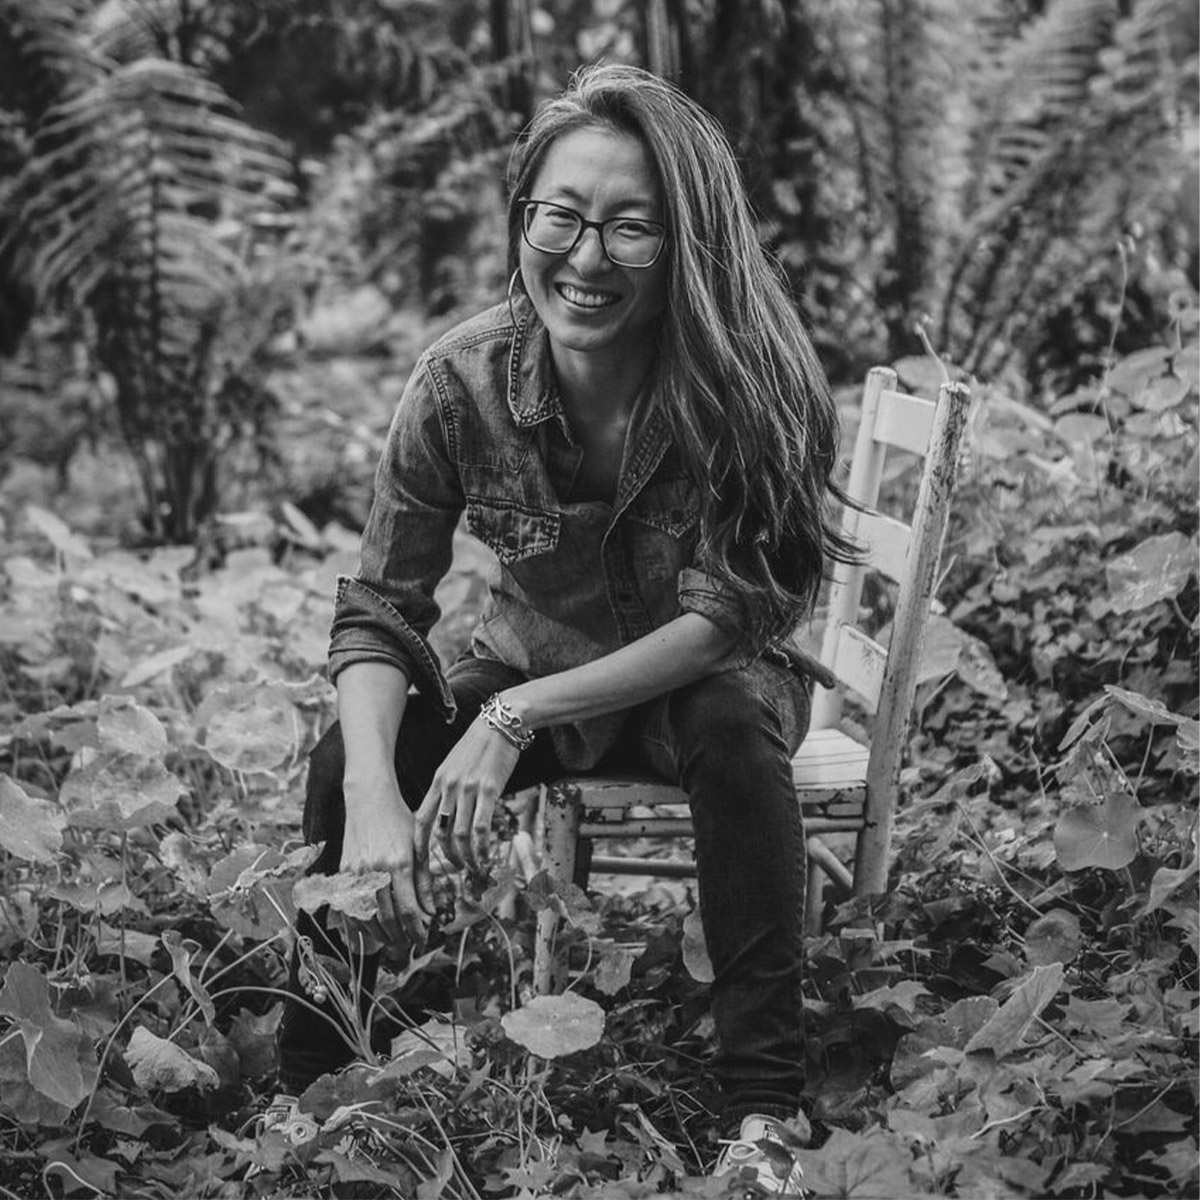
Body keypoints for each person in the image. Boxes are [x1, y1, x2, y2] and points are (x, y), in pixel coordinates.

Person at [278, 61, 855, 1192]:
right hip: (525, 652)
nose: (585, 260)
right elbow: (383, 607)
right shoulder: (461, 382)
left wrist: (513, 711)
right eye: (562, 216)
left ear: (688, 242)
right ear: (522, 219)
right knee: (354, 746)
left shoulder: (752, 384)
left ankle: (762, 1119)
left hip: (691, 683)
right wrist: (370, 797)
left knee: (740, 740)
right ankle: (321, 1091)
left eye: (632, 229)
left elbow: (738, 610)